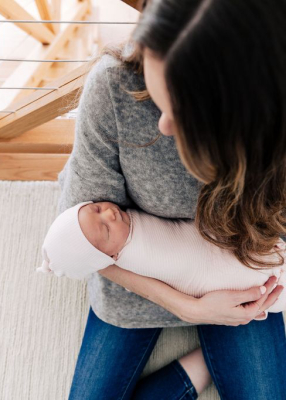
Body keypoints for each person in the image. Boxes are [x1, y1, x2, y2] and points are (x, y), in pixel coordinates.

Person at [56, 0, 286, 398]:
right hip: (137, 286)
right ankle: (195, 370)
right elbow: (81, 241)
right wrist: (189, 308)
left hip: (239, 280)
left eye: (180, 110)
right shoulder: (114, 88)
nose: (162, 125)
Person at [37, 200, 286, 320]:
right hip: (234, 281)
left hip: (234, 250)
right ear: (109, 258)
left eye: (97, 209)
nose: (110, 214)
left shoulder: (125, 224)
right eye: (106, 230)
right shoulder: (130, 256)